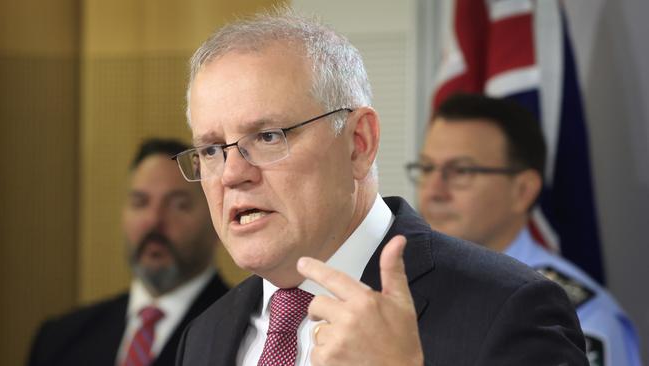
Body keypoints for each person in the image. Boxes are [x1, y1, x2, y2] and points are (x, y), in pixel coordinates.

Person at [174, 8, 588, 366]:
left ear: (359, 143)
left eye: (266, 137)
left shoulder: (508, 308)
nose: (231, 174)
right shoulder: (205, 335)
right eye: (211, 150)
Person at [410, 93, 642, 366]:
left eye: (461, 171)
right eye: (427, 168)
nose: (433, 191)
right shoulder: (403, 283)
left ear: (523, 190)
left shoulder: (576, 317)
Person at [28, 138, 229, 366]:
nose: (154, 221)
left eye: (178, 204)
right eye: (140, 202)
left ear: (216, 218)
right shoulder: (60, 340)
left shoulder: (243, 333)